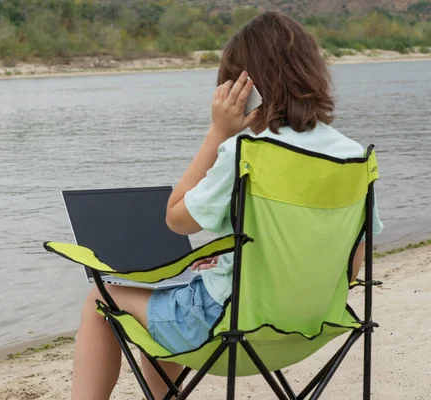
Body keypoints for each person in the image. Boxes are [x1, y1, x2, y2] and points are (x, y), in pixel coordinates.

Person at [71, 11, 383, 400]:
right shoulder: (355, 158)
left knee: (103, 296)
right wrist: (237, 263)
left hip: (225, 329)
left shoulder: (246, 151)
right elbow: (351, 262)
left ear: (244, 89)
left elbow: (177, 218)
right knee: (170, 297)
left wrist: (217, 132)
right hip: (312, 328)